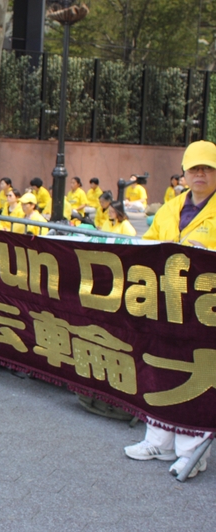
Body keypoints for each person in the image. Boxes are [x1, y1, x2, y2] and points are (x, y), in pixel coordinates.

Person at [123, 140, 216, 478]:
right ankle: (158, 441)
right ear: (184, 173)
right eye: (194, 168)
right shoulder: (170, 208)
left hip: (205, 311)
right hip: (164, 303)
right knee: (159, 368)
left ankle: (192, 453)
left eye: (207, 168)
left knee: (196, 376)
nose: (200, 174)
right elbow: (147, 246)